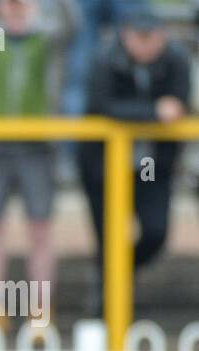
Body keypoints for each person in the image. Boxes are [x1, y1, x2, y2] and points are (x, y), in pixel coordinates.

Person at [0, 0, 80, 329]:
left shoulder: (49, 33)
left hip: (39, 147)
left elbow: (71, 22)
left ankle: (40, 312)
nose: (15, 5)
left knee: (40, 230)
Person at [77, 6, 191, 290]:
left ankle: (115, 281)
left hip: (151, 166)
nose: (143, 44)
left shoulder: (176, 61)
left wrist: (158, 112)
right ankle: (105, 305)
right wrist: (153, 111)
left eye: (149, 37)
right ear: (125, 36)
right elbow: (100, 106)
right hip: (104, 167)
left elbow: (180, 106)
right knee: (109, 237)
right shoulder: (104, 59)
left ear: (162, 37)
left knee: (155, 232)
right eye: (137, 37)